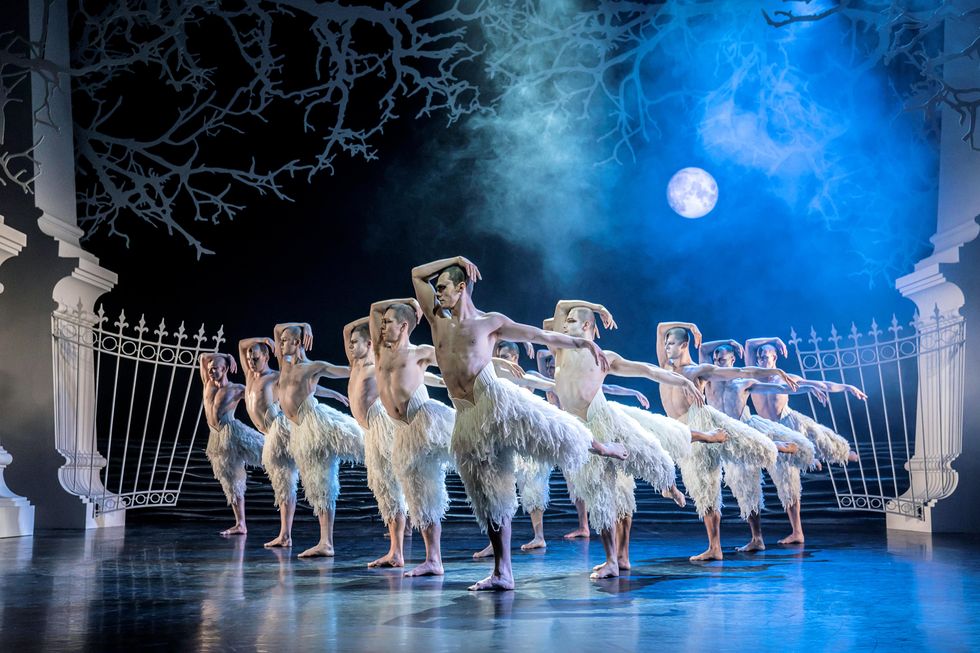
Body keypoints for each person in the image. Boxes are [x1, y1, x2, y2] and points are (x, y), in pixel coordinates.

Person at [412, 255, 626, 591]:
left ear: (462, 287)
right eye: (436, 289)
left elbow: (540, 335)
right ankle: (503, 572)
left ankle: (601, 446)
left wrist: (580, 341)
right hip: (467, 419)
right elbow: (416, 273)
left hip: (497, 402)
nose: (437, 294)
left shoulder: (489, 323)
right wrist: (454, 258)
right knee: (490, 498)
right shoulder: (437, 320)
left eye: (443, 288)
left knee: (554, 430)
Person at [552, 301, 702, 578]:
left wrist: (683, 381)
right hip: (583, 433)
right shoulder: (559, 349)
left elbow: (647, 369)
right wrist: (597, 306)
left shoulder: (604, 357)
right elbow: (560, 305)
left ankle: (666, 488)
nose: (563, 324)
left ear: (586, 325)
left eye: (571, 321)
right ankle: (613, 559)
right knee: (603, 498)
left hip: (606, 421)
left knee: (646, 458)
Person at [656, 321, 798, 561]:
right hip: (677, 431)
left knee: (708, 485)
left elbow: (742, 372)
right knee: (694, 481)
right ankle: (772, 446)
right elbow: (660, 327)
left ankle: (715, 547)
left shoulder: (698, 370)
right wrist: (690, 325)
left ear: (684, 345)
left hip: (697, 427)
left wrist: (774, 372)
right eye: (666, 344)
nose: (666, 347)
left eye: (671, 344)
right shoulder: (664, 367)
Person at [697, 339, 823, 552]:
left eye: (723, 359)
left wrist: (811, 386)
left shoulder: (743, 381)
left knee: (749, 487)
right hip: (717, 438)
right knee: (736, 490)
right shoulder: (709, 378)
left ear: (733, 360)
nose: (718, 362)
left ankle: (785, 448)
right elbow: (702, 349)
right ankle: (749, 540)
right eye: (716, 359)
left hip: (740, 437)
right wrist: (728, 342)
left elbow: (779, 387)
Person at [745, 337, 866, 544]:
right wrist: (775, 339)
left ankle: (842, 454)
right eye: (760, 357)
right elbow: (748, 344)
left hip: (788, 422)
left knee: (820, 436)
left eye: (766, 357)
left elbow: (821, 383)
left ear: (775, 358)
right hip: (770, 433)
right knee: (787, 483)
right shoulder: (753, 376)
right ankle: (797, 532)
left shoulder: (785, 378)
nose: (763, 360)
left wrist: (847, 387)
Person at [369, 298, 455, 577]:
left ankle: (434, 559)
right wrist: (406, 301)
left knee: (429, 492)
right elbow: (374, 308)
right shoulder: (381, 353)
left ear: (404, 326)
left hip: (424, 424)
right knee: (417, 496)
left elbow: (459, 357)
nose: (383, 327)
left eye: (389, 323)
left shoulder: (420, 353)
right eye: (383, 324)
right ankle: (427, 559)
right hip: (402, 432)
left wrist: (497, 364)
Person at [238, 337, 348, 548]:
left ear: (267, 356)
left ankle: (323, 538)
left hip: (282, 429)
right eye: (250, 358)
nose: (251, 361)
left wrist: (333, 393)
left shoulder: (276, 377)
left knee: (309, 475)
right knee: (283, 483)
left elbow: (304, 387)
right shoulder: (250, 376)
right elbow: (242, 344)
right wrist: (260, 340)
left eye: (256, 357)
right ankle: (285, 535)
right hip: (270, 435)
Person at [274, 322, 364, 558]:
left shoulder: (312, 366)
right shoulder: (284, 365)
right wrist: (303, 325)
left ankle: (327, 542)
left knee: (323, 481)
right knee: (316, 484)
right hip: (298, 428)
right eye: (280, 340)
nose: (280, 344)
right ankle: (325, 541)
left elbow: (347, 370)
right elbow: (276, 328)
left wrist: (369, 363)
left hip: (315, 425)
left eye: (285, 341)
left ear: (297, 342)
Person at [199, 352, 264, 536]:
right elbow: (203, 357)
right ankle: (240, 524)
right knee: (231, 481)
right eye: (210, 369)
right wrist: (227, 355)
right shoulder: (207, 383)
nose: (211, 372)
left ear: (225, 369)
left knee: (267, 451)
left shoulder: (236, 389)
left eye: (215, 369)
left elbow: (258, 398)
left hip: (233, 431)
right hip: (217, 438)